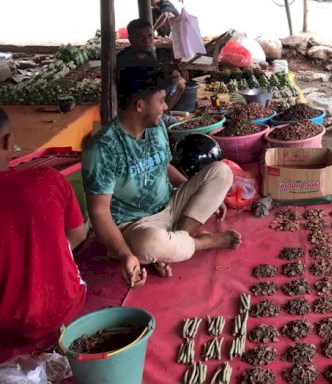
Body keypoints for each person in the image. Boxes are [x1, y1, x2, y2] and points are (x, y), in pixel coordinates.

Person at [82, 67, 241, 288]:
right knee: (151, 243)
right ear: (140, 105)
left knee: (221, 172)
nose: (166, 107)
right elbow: (98, 212)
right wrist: (125, 255)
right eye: (162, 101)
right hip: (134, 226)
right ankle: (199, 243)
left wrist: (197, 194)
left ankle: (178, 238)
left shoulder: (156, 128)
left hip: (170, 205)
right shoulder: (102, 149)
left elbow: (163, 165)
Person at [0, 108, 87, 347]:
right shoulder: (49, 179)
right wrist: (45, 252)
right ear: (8, 141)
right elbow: (78, 234)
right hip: (64, 309)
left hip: (7, 328)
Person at [117, 18, 186, 112]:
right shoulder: (125, 59)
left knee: (180, 83)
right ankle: (158, 116)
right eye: (141, 37)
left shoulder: (147, 55)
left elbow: (154, 74)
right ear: (131, 39)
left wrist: (171, 74)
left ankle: (162, 114)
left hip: (148, 97)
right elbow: (146, 86)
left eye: (150, 36)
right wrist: (169, 76)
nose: (147, 40)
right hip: (135, 106)